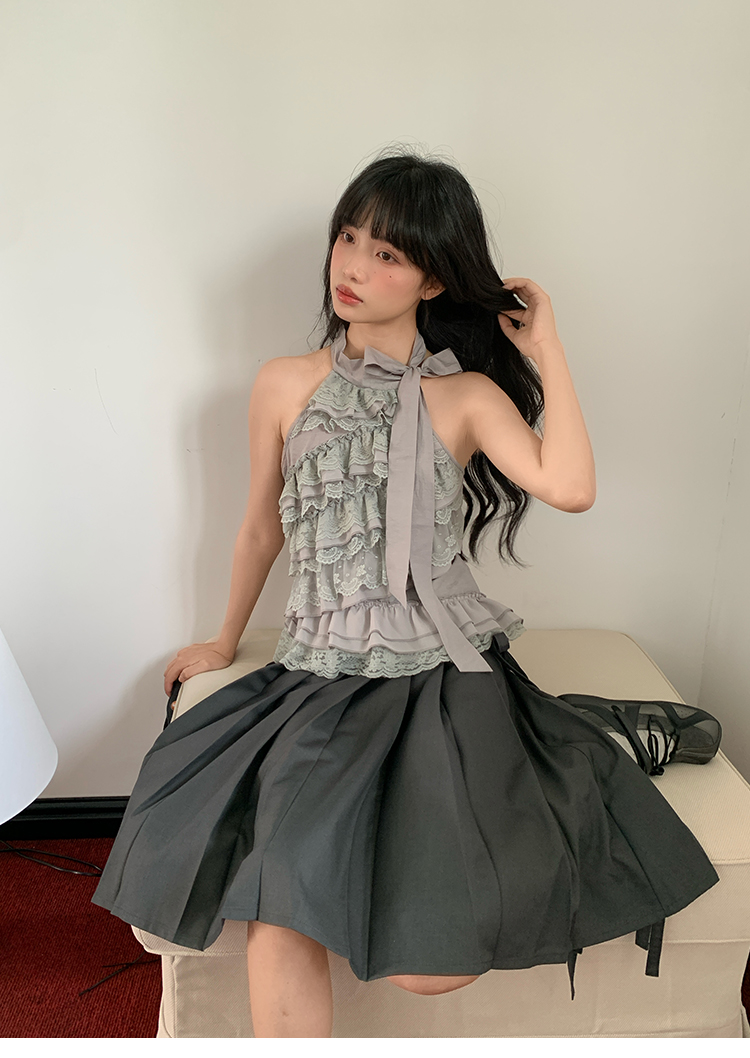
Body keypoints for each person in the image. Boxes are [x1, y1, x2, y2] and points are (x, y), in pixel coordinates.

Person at [92, 147, 718, 1038]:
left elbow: (572, 486)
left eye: (386, 253)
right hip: (318, 672)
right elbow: (261, 528)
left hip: (442, 670)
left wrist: (547, 348)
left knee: (431, 971)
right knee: (280, 889)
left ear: (433, 279)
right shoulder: (283, 383)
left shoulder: (462, 395)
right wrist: (224, 640)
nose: (352, 265)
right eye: (349, 237)